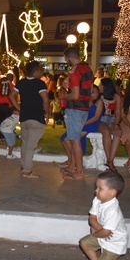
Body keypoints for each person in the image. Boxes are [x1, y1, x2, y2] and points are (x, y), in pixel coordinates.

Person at [79, 171, 128, 260]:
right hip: (101, 234)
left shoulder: (113, 211)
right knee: (84, 243)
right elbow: (92, 218)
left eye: (100, 188)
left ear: (112, 192)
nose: (96, 191)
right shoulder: (98, 200)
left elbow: (107, 233)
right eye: (96, 187)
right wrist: (97, 229)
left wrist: (95, 232)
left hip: (114, 243)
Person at [8, 61, 49, 179]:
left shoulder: (21, 82)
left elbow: (11, 96)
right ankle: (27, 170)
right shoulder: (40, 84)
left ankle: (23, 166)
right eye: (40, 70)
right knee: (31, 145)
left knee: (25, 143)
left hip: (24, 117)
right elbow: (45, 100)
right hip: (36, 117)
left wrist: (18, 107)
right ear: (36, 71)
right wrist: (47, 113)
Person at [59, 47, 93, 180]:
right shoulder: (88, 69)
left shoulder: (74, 71)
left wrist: (64, 96)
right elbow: (87, 91)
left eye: (66, 58)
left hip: (75, 109)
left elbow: (75, 95)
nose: (66, 61)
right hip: (84, 108)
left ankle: (79, 171)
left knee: (75, 139)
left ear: (69, 58)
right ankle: (73, 166)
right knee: (75, 138)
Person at [60, 84, 103, 169]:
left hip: (91, 124)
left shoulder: (99, 102)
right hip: (83, 123)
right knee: (64, 138)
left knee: (70, 138)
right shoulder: (85, 102)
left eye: (96, 92)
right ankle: (71, 159)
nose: (95, 94)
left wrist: (83, 124)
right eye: (93, 92)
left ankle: (75, 160)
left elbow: (96, 117)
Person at [97, 78, 122, 173]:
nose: (99, 86)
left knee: (118, 133)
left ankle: (110, 160)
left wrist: (116, 124)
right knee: (106, 132)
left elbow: (118, 112)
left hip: (112, 118)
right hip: (102, 118)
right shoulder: (99, 96)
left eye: (101, 85)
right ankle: (110, 160)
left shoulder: (116, 97)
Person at [0, 73, 14, 143]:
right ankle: (5, 136)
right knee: (6, 122)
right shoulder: (10, 90)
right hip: (7, 107)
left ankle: (0, 138)